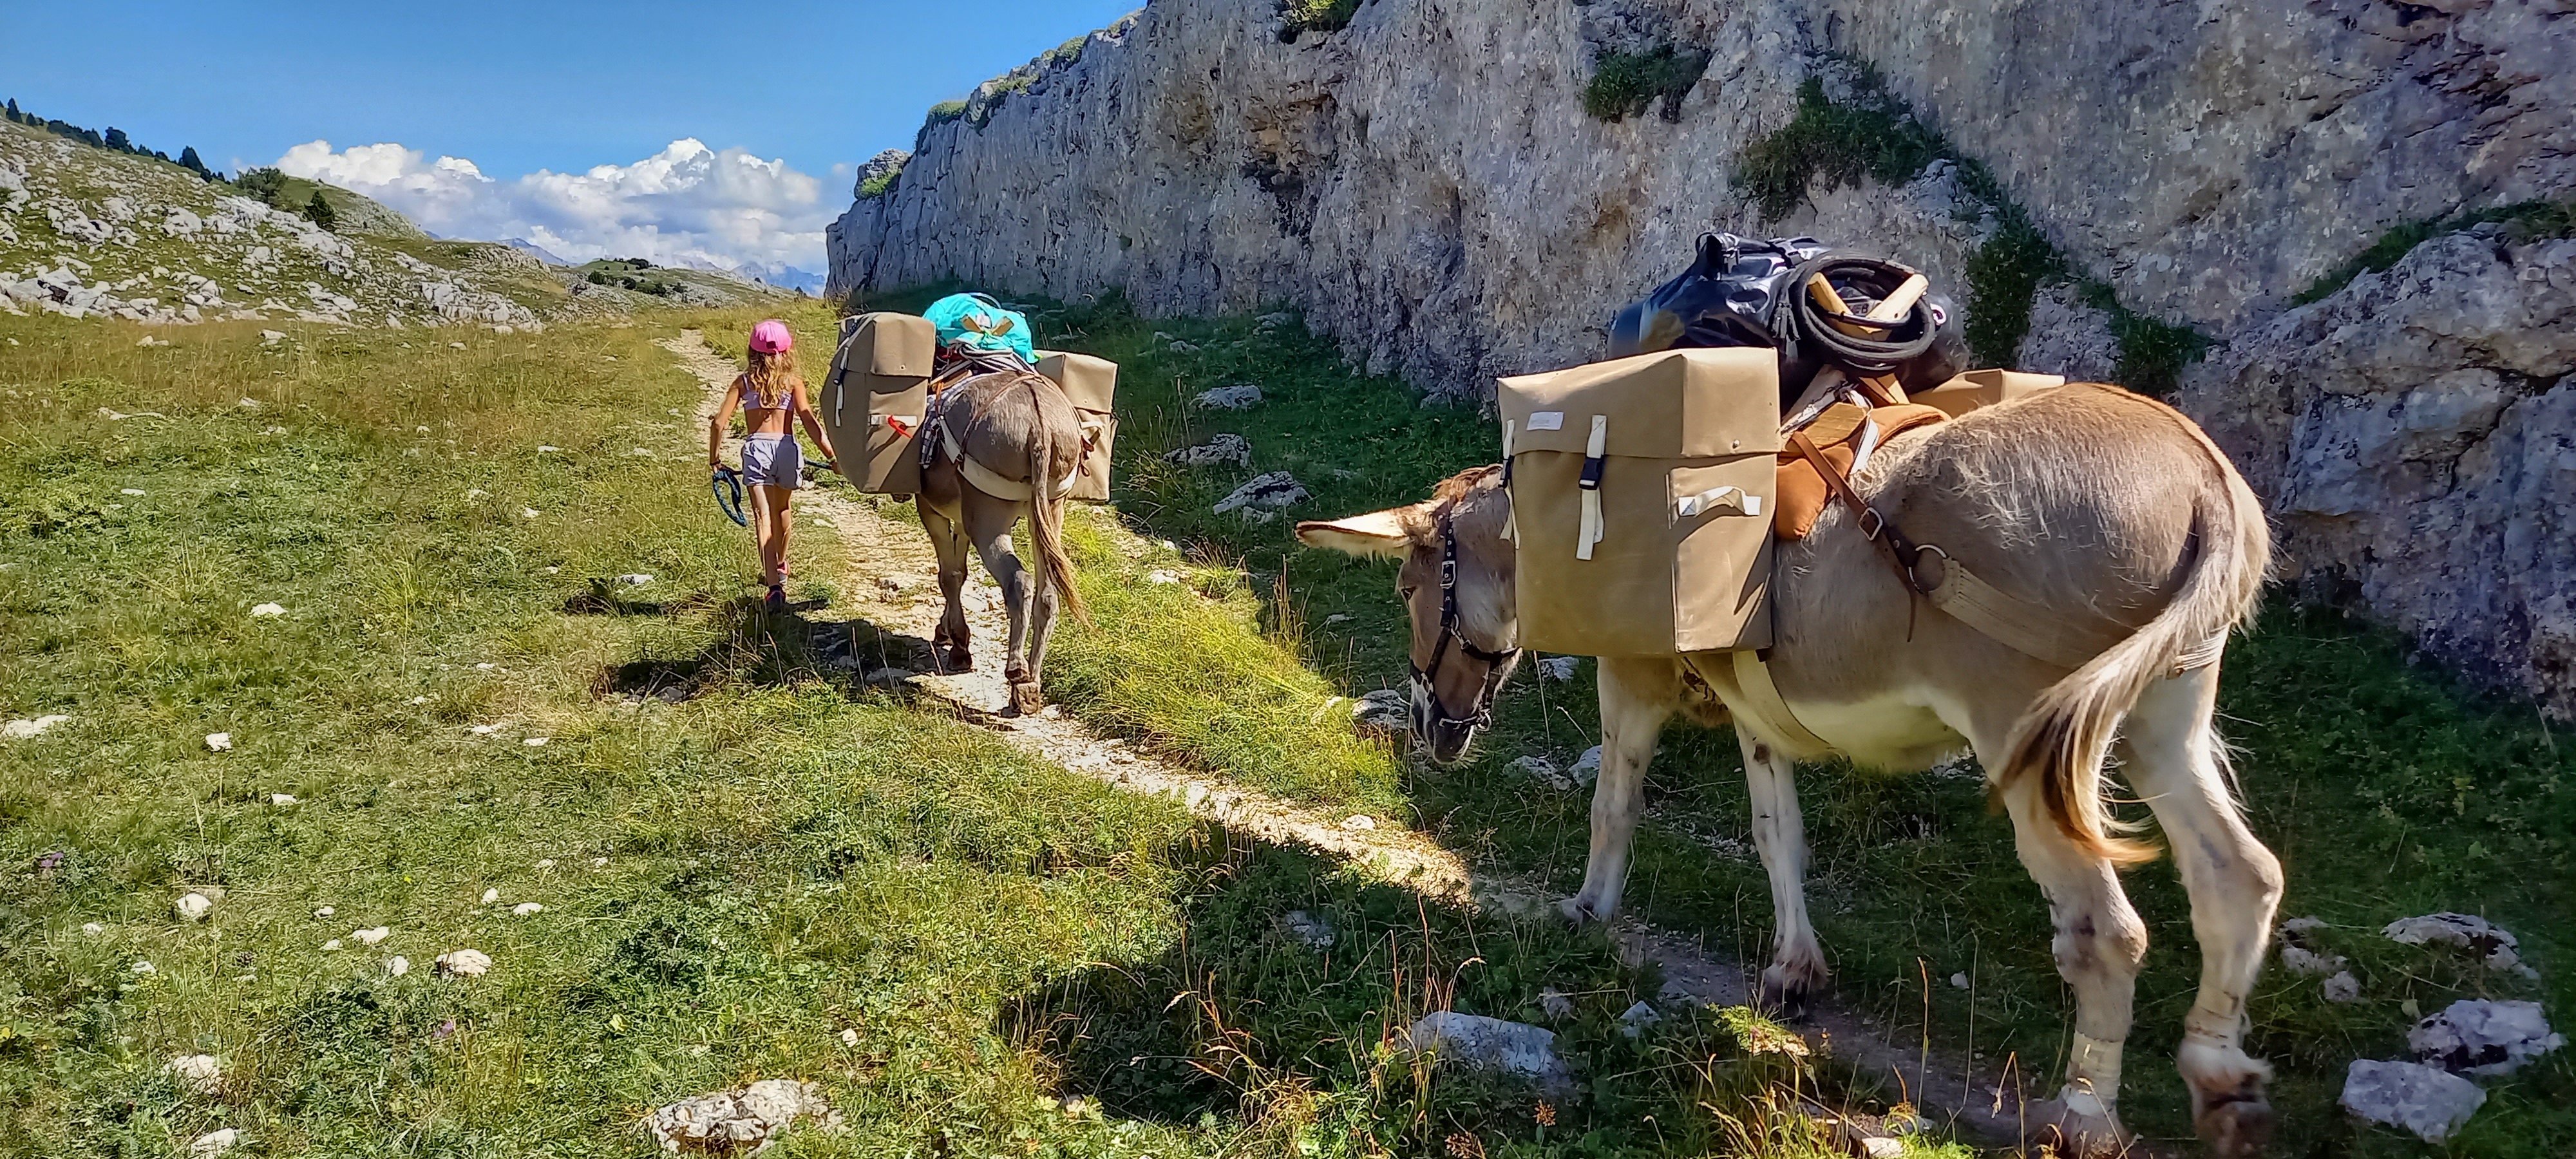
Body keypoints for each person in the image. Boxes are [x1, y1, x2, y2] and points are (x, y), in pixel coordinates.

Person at [708, 319, 837, 611]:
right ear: (787, 351)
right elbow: (808, 420)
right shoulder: (793, 383)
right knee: (783, 509)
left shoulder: (743, 383)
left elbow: (719, 423)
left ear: (752, 352)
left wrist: (715, 459)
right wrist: (831, 457)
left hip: (757, 449)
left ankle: (774, 588)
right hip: (787, 448)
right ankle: (780, 564)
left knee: (762, 517)